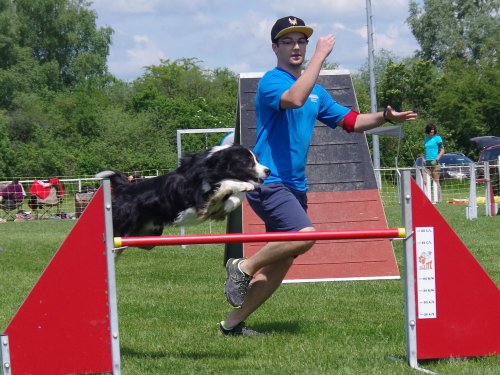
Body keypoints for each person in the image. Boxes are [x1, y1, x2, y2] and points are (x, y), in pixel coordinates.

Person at [218, 16, 417, 336]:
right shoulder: (272, 83)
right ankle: (242, 267)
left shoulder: (317, 93)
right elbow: (294, 98)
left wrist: (384, 116)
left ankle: (231, 324)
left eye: (302, 41)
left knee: (283, 261)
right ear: (275, 47)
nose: (297, 47)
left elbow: (351, 121)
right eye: (288, 41)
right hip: (269, 181)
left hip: (296, 186)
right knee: (305, 235)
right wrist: (321, 57)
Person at [423, 123, 444, 200]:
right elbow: (426, 150)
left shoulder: (438, 138)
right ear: (428, 131)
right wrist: (424, 159)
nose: (432, 132)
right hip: (427, 163)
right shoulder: (426, 139)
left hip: (435, 162)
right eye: (431, 131)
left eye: (433, 131)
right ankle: (426, 198)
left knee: (436, 181)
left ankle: (439, 199)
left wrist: (437, 159)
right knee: (425, 181)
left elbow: (442, 150)